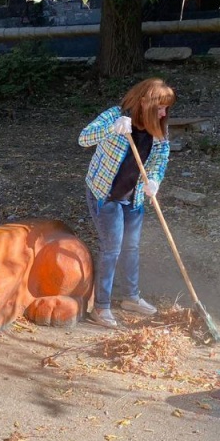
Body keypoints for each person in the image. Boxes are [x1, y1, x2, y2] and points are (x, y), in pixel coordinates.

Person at [79, 77, 175, 328]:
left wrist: (153, 182)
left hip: (133, 198)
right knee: (112, 248)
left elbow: (158, 163)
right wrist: (111, 129)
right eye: (160, 106)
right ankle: (101, 308)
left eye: (167, 107)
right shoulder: (114, 116)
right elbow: (84, 138)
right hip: (105, 195)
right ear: (144, 102)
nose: (165, 112)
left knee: (131, 247)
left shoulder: (160, 130)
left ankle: (131, 298)